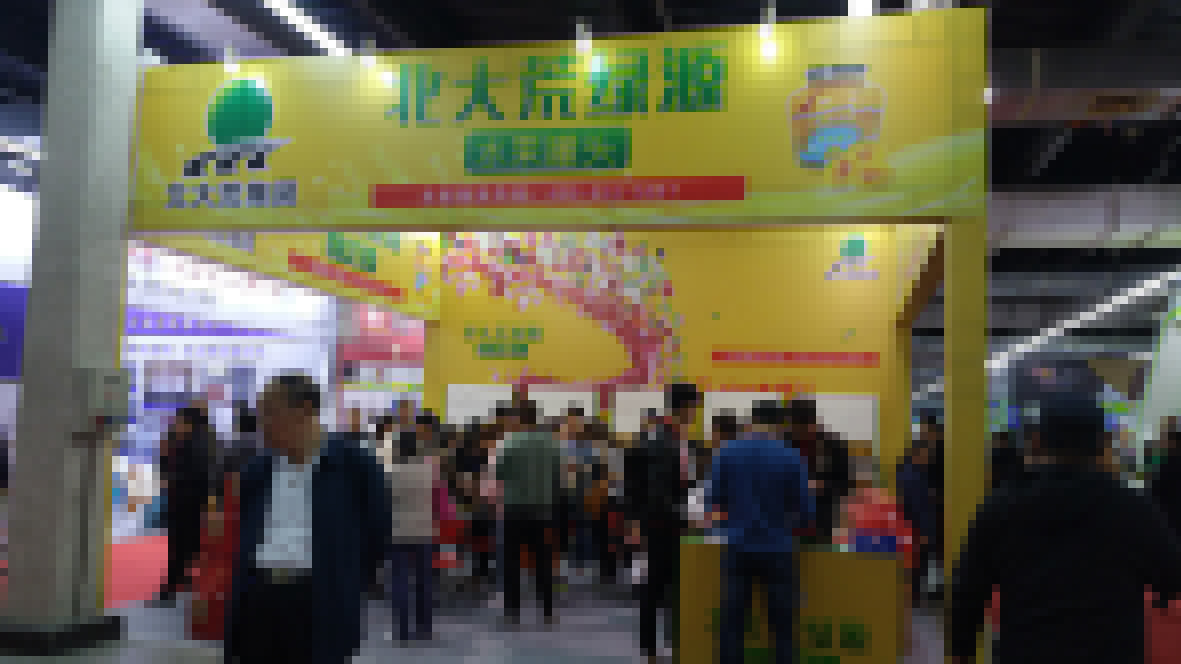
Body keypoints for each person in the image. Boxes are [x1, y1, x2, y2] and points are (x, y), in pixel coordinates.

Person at [948, 391, 1181, 664]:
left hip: (1026, 651)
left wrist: (961, 651)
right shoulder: (1134, 509)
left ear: (1037, 441)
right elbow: (1170, 578)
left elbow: (968, 590)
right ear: (1104, 443)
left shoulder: (1001, 507)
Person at [223, 373, 392, 664]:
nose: (262, 423)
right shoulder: (257, 470)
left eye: (270, 412)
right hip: (258, 600)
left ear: (304, 410)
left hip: (318, 602)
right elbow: (246, 532)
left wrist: (343, 580)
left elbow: (377, 535)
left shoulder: (354, 466)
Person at [708, 400, 815, 664]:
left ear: (750, 420)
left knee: (732, 623)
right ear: (779, 423)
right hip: (778, 548)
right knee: (782, 627)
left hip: (737, 547)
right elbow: (806, 511)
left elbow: (715, 500)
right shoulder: (792, 457)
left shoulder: (726, 453)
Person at [625, 383, 699, 664]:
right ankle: (655, 648)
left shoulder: (671, 438)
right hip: (663, 525)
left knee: (665, 586)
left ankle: (665, 645)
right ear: (686, 407)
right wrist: (686, 514)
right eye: (694, 408)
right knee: (658, 587)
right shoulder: (663, 441)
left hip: (665, 521)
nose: (695, 414)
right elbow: (656, 491)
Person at [378, 428, 449, 643]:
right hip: (425, 531)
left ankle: (401, 631)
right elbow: (441, 504)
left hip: (398, 532)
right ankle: (425, 628)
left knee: (399, 580)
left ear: (399, 448)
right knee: (424, 580)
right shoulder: (429, 471)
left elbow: (383, 505)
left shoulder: (391, 473)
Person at [496, 400, 562, 626]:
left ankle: (512, 611)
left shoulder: (510, 443)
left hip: (514, 509)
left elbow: (500, 474)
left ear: (518, 418)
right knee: (543, 562)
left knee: (512, 562)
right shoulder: (551, 443)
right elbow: (557, 476)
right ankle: (547, 611)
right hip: (542, 510)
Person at [154, 405, 215, 605]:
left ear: (190, 424)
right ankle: (179, 583)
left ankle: (173, 587)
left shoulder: (196, 446)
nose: (175, 424)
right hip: (184, 500)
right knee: (184, 544)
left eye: (179, 421)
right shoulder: (186, 443)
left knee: (182, 544)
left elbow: (194, 475)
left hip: (188, 502)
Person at [788, 398, 851, 539]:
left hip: (822, 518)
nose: (800, 431)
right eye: (796, 425)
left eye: (804, 425)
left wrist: (822, 486)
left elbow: (845, 483)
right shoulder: (784, 444)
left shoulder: (833, 446)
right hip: (790, 520)